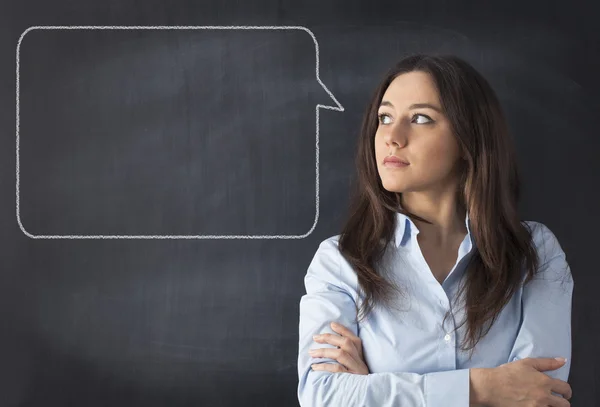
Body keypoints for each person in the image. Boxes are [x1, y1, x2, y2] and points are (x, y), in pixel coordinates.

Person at [297, 54, 574, 406]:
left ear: (467, 139)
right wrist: (483, 389)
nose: (392, 137)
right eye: (385, 118)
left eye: (421, 118)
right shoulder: (340, 261)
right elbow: (322, 396)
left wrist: (374, 387)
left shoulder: (535, 252)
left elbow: (539, 395)